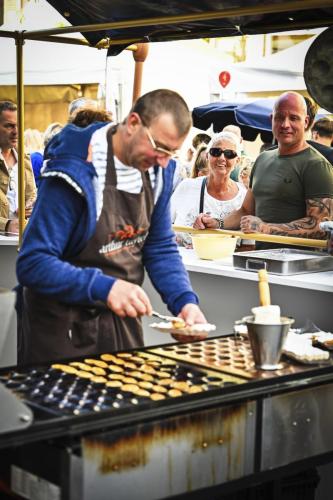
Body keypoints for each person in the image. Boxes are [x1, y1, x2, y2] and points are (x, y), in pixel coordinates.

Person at [16, 89, 207, 365]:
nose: (164, 161)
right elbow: (33, 263)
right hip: (60, 328)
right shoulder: (74, 169)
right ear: (132, 124)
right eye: (160, 147)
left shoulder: (159, 172)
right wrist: (105, 288)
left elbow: (160, 247)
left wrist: (185, 302)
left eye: (172, 152)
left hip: (118, 323)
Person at [199, 92, 333, 248]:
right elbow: (245, 211)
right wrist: (217, 222)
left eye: (294, 118)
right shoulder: (262, 159)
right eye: (279, 117)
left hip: (300, 267)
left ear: (306, 122)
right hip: (262, 261)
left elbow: (320, 226)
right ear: (271, 119)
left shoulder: (317, 165)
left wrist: (265, 228)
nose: (285, 124)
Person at [171, 131, 246, 247]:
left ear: (238, 161)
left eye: (229, 154)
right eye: (216, 152)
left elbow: (248, 246)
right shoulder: (186, 187)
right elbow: (163, 225)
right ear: (207, 156)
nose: (222, 158)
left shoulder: (244, 197)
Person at [0, 101, 36, 234]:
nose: (16, 131)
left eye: (18, 126)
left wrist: (30, 206)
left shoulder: (23, 156)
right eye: (9, 126)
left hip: (20, 239)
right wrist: (7, 224)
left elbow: (31, 194)